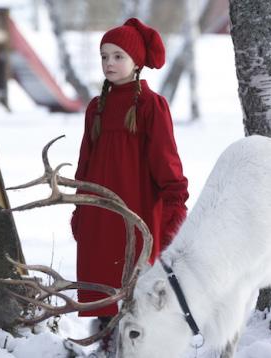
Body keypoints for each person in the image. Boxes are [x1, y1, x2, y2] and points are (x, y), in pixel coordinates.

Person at [71, 17, 189, 350]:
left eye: (118, 56)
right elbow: (85, 165)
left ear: (137, 63)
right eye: (105, 56)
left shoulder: (150, 106)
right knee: (102, 290)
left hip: (135, 215)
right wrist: (81, 209)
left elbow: (168, 168)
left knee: (134, 290)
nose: (109, 62)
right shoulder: (97, 107)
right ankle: (106, 342)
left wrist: (171, 220)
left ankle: (136, 347)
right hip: (99, 218)